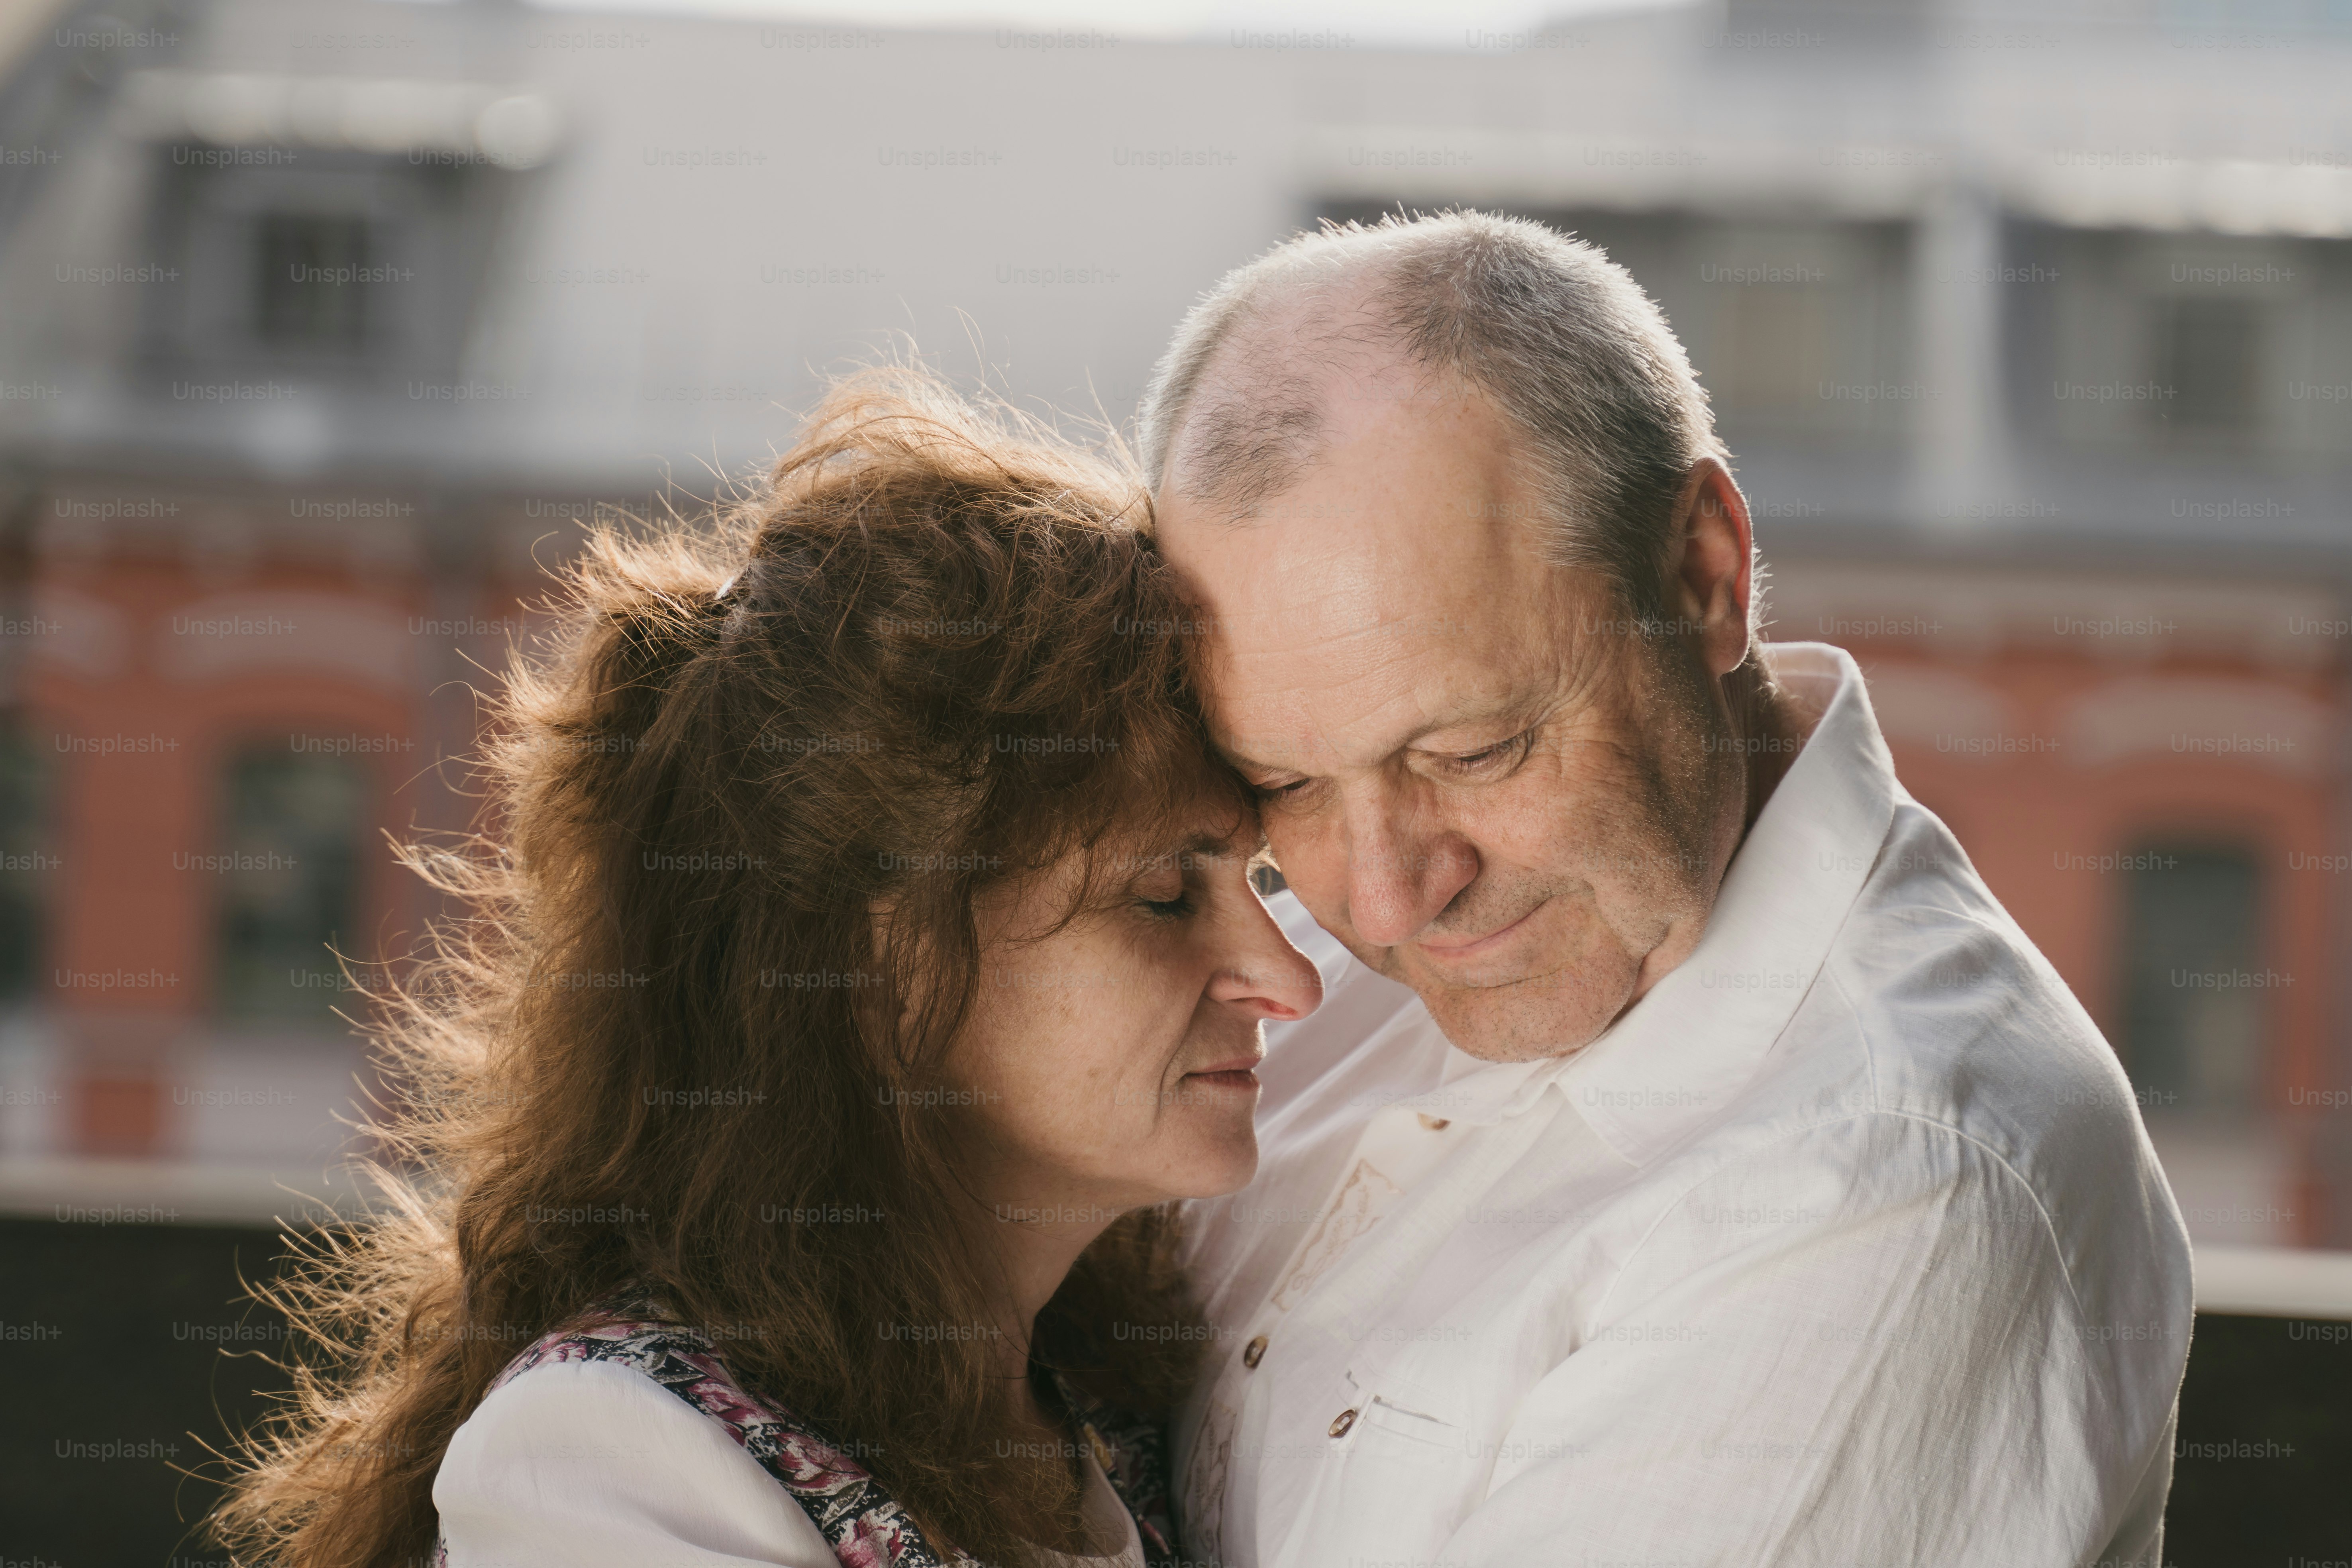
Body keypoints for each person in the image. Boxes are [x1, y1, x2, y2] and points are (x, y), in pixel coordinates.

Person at [1140, 211, 2195, 1568]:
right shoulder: (1283, 959)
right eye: (1283, 785)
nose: (1386, 905)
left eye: (1475, 751)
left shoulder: (1893, 1180)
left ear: (1704, 575)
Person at [212, 368, 1322, 1568]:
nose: (1288, 980)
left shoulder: (1115, 1405)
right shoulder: (611, 1459)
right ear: (868, 961)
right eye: (1163, 897)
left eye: (1261, 882)